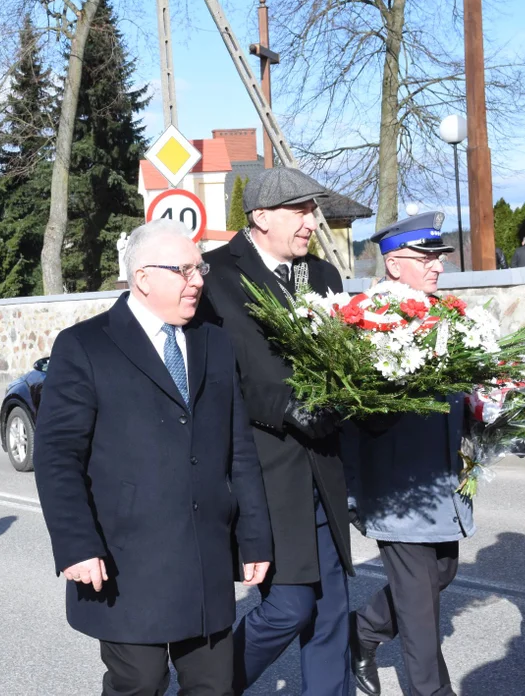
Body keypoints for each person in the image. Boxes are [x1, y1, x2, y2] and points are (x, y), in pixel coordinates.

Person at [35, 219, 273, 694]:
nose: (199, 280)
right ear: (143, 277)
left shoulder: (214, 342)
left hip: (204, 559)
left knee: (213, 685)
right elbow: (58, 455)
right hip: (126, 561)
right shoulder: (85, 345)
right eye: (185, 270)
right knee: (139, 683)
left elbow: (237, 447)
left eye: (199, 268)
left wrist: (255, 537)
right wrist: (77, 544)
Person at [198, 167, 352, 695]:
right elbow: (213, 378)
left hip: (323, 461)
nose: (312, 220)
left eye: (314, 209)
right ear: (261, 216)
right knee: (290, 605)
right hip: (262, 467)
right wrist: (282, 406)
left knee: (332, 607)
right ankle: (213, 687)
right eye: (300, 210)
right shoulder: (214, 276)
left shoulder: (325, 277)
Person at [342, 212, 475, 696]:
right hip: (396, 484)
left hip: (441, 481)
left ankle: (362, 632)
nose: (438, 266)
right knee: (420, 608)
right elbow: (354, 413)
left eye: (439, 257)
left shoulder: (444, 312)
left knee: (443, 572)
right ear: (395, 265)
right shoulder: (367, 317)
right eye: (426, 258)